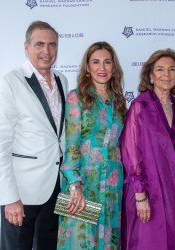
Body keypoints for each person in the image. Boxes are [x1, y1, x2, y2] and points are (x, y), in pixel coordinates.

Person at [0, 21, 68, 250]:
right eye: (40, 44)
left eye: (52, 44)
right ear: (26, 47)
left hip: (56, 187)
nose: (47, 51)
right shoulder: (8, 82)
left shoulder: (62, 80)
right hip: (22, 192)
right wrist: (9, 198)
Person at [57, 41, 127, 250]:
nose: (102, 68)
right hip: (82, 182)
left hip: (112, 183)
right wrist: (74, 185)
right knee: (81, 241)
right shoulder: (76, 96)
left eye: (107, 62)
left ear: (114, 67)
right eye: (96, 62)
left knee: (107, 240)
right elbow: (71, 145)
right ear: (87, 67)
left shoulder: (118, 100)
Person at [120, 49, 175, 250]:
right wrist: (140, 194)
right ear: (150, 76)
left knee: (172, 239)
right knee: (148, 242)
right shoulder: (140, 107)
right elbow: (130, 153)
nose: (166, 75)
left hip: (173, 190)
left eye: (171, 69)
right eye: (160, 69)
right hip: (148, 190)